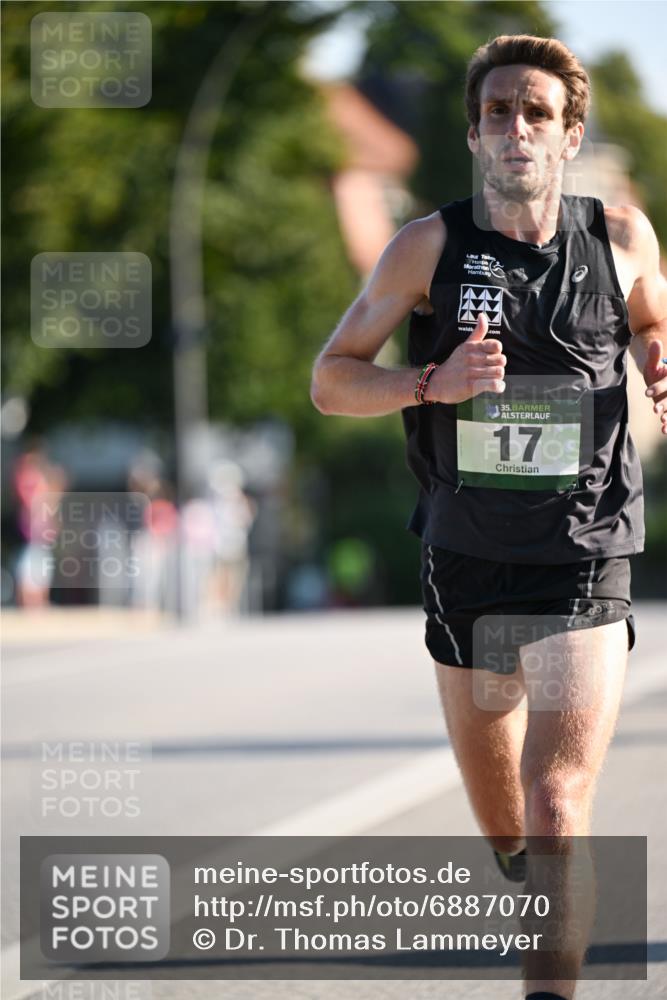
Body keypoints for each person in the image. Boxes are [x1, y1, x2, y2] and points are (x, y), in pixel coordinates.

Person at [310, 34, 666, 1000]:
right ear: (473, 133)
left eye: (536, 113)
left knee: (556, 809)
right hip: (465, 554)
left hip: (585, 551)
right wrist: (430, 382)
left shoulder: (622, 234)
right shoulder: (426, 246)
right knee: (510, 826)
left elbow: (653, 322)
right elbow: (331, 382)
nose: (516, 127)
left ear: (568, 134)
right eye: (498, 111)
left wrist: (656, 354)